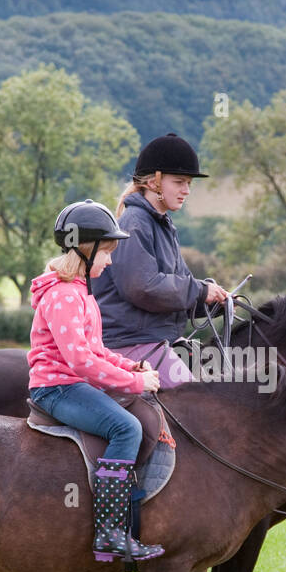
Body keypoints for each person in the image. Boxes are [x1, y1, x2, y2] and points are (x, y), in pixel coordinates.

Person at [27, 199, 165, 563]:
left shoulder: (81, 293)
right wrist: (135, 385)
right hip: (56, 389)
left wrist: (131, 366)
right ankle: (110, 533)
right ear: (86, 251)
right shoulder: (63, 295)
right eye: (106, 252)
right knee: (127, 429)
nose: (110, 260)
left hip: (73, 384)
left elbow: (97, 350)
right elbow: (80, 360)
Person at [92, 133, 229, 386]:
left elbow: (176, 290)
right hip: (129, 342)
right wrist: (199, 291)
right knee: (193, 405)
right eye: (179, 182)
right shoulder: (135, 224)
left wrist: (212, 302)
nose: (186, 190)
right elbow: (143, 288)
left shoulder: (163, 226)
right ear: (155, 182)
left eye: (188, 183)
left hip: (157, 339)